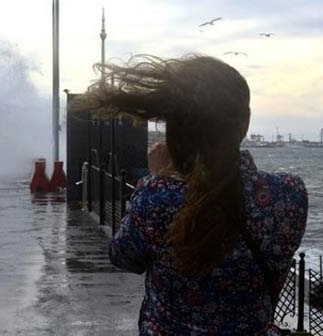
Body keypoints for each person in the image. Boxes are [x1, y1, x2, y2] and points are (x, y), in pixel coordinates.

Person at [75, 55, 308, 335]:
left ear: (175, 128)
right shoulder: (289, 194)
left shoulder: (156, 196)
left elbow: (124, 257)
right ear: (244, 124)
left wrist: (158, 178)